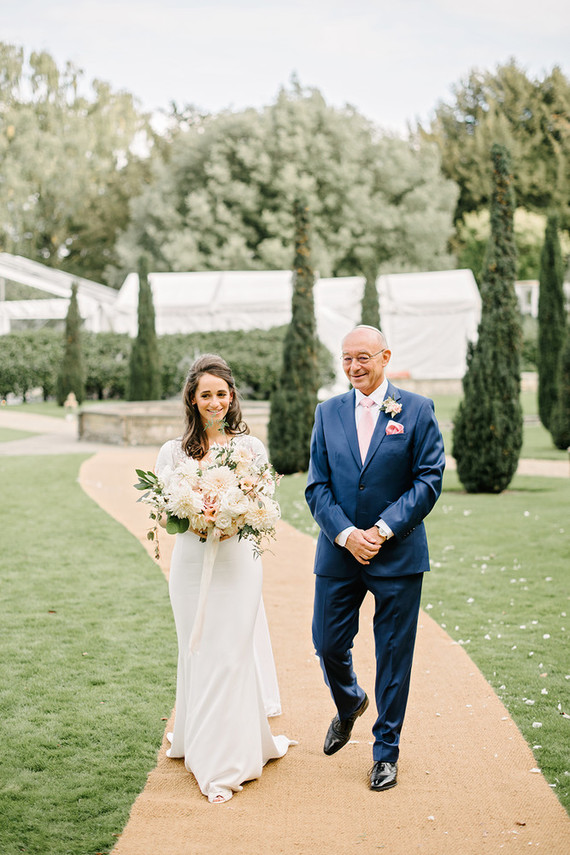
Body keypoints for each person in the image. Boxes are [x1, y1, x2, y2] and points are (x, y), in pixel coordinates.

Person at [305, 325, 445, 791]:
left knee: (393, 655)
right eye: (346, 358)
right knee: (326, 642)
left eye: (363, 357)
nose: (354, 367)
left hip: (398, 555)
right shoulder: (327, 413)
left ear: (385, 356)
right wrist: (346, 535)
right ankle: (349, 703)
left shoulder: (417, 410)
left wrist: (382, 530)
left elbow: (428, 480)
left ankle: (386, 752)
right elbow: (316, 486)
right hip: (339, 552)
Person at [155, 354, 292, 803]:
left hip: (238, 564)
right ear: (192, 400)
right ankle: (198, 741)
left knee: (231, 652)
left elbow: (265, 505)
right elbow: (164, 510)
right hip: (191, 565)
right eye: (205, 394)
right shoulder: (173, 453)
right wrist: (193, 516)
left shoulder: (250, 449)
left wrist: (232, 518)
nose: (214, 401)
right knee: (197, 651)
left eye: (221, 393)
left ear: (231, 397)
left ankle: (226, 762)